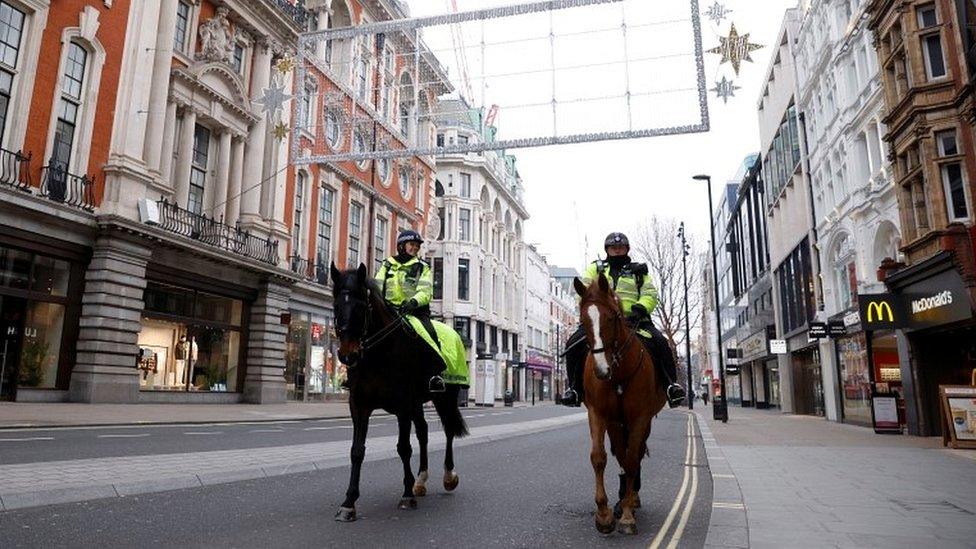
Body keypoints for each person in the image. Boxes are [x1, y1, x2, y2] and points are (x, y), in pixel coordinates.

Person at [561, 232, 686, 408]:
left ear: (626, 249)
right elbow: (584, 292)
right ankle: (574, 389)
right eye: (613, 248)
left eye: (621, 248)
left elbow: (650, 294)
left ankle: (671, 386)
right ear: (607, 250)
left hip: (635, 320)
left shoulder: (639, 271)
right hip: (602, 321)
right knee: (572, 344)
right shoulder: (595, 269)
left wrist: (640, 308)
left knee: (660, 342)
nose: (617, 251)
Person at [375, 229, 446, 393]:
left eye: (416, 245)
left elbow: (425, 290)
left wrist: (413, 302)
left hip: (415, 312)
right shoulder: (387, 264)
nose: (415, 248)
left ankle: (435, 375)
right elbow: (378, 284)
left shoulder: (422, 267)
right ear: (401, 246)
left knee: (429, 334)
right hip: (390, 311)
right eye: (411, 244)